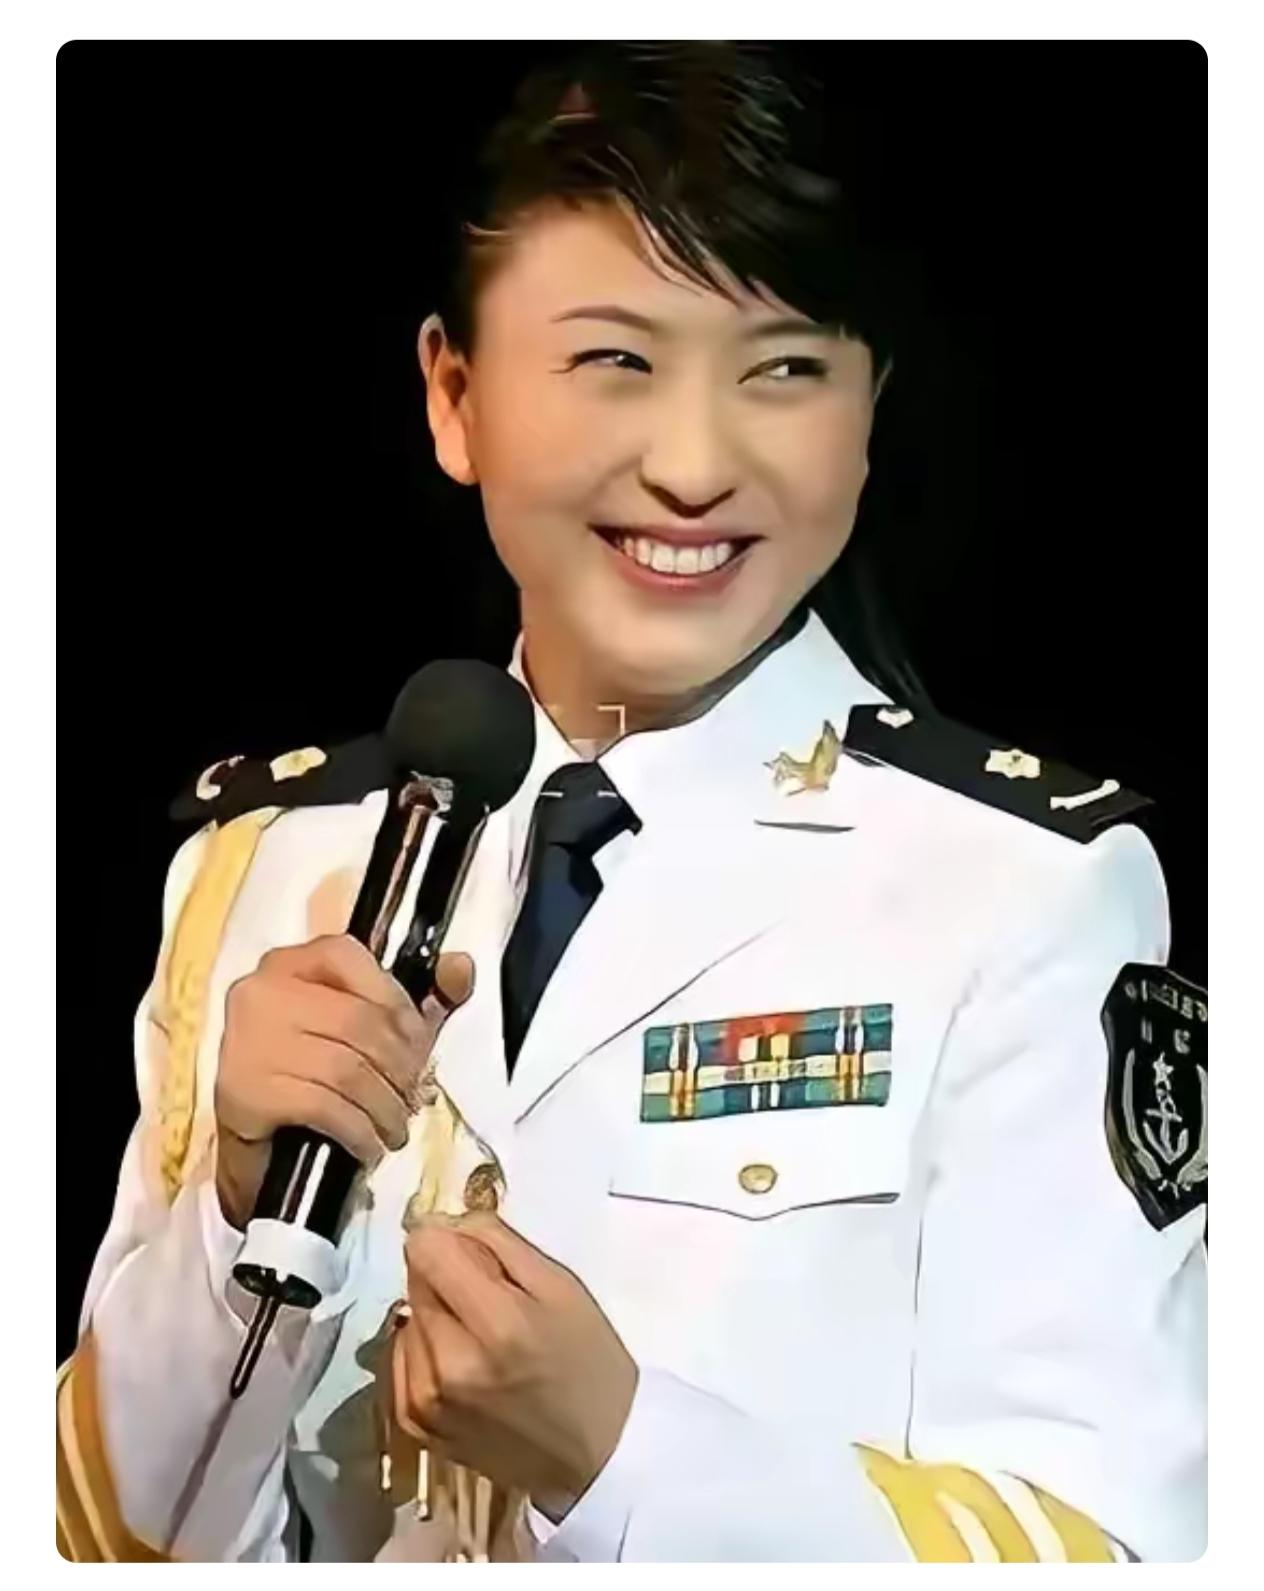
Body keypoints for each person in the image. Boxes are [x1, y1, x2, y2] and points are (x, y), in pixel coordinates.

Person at [57, 42, 1206, 1562]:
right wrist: (236, 1225)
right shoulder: (267, 864)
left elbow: (1121, 1552)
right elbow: (104, 1545)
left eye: (783, 369)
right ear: (455, 397)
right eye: (615, 361)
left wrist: (618, 1455)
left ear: (871, 410)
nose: (694, 464)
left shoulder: (1025, 888)